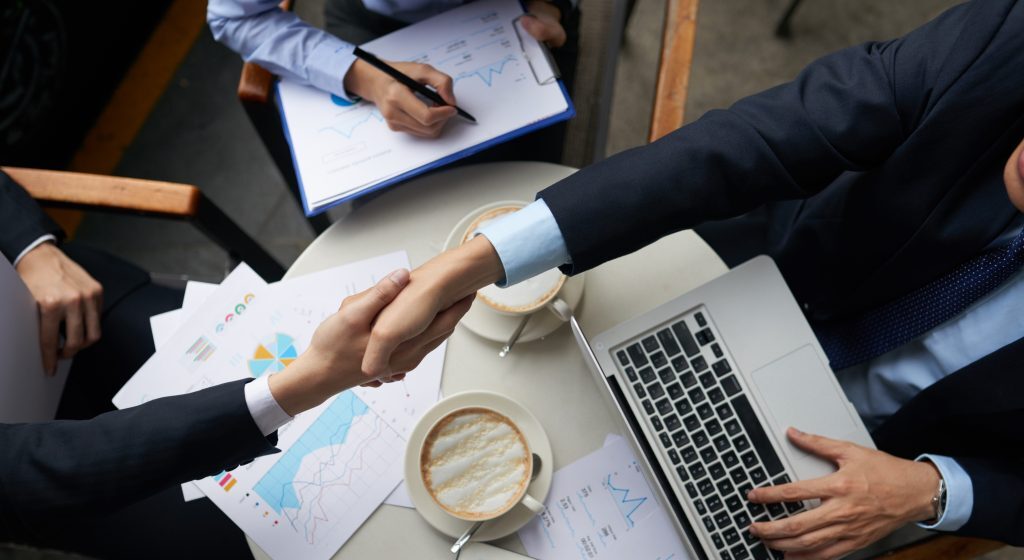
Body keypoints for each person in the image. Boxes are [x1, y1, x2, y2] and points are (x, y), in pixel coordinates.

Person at [352, 0, 1024, 556]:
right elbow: (758, 141)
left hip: (889, 466)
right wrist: (479, 259)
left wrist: (937, 492)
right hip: (758, 281)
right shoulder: (1009, 39)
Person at [0, 171, 472, 558]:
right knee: (252, 541)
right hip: (41, 479)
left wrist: (30, 246)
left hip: (61, 307)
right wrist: (304, 382)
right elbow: (41, 468)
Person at [206, 0, 579, 161]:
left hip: (515, 18)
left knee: (543, 170)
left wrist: (549, 6)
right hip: (372, 24)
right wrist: (362, 75)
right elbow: (234, 17)